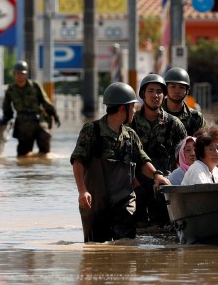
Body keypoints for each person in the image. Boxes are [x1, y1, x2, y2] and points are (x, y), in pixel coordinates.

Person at [70, 82, 171, 242]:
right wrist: (82, 191)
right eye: (132, 107)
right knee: (96, 250)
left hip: (124, 202)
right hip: (95, 203)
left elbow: (142, 160)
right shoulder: (92, 131)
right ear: (123, 108)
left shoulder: (130, 134)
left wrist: (156, 175)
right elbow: (78, 161)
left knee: (126, 246)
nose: (135, 111)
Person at [129, 73, 185, 225]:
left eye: (159, 92)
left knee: (164, 229)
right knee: (135, 230)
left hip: (164, 184)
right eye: (151, 91)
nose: (155, 95)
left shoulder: (174, 124)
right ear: (143, 94)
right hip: (136, 184)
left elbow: (185, 156)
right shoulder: (130, 122)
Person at [2, 60, 60, 156]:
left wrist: (54, 114)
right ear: (14, 74)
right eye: (18, 73)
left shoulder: (35, 86)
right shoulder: (11, 90)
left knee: (45, 137)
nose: (20, 76)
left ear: (26, 74)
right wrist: (6, 119)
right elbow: (6, 107)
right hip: (22, 123)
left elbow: (45, 101)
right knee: (23, 153)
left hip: (37, 119)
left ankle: (44, 164)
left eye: (22, 73)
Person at [162, 67, 203, 136]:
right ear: (166, 89)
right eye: (173, 87)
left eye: (181, 87)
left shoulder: (196, 118)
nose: (177, 91)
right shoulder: (155, 114)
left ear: (187, 91)